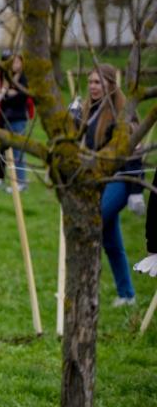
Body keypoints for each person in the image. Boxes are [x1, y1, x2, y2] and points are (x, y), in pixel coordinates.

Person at [72, 64, 143, 307]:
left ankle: (84, 286)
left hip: (122, 180)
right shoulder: (90, 110)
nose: (93, 87)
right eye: (90, 82)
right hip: (99, 181)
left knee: (92, 219)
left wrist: (136, 192)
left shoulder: (121, 113)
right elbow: (79, 142)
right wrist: (72, 120)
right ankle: (127, 295)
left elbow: (134, 151)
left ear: (111, 85)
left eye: (98, 83)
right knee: (111, 241)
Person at [0, 50, 35, 191]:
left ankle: (21, 183)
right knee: (4, 150)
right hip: (5, 118)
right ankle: (8, 180)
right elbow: (1, 97)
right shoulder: (6, 79)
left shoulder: (24, 79)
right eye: (11, 62)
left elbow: (21, 98)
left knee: (17, 152)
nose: (14, 65)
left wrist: (10, 95)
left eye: (17, 61)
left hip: (18, 119)